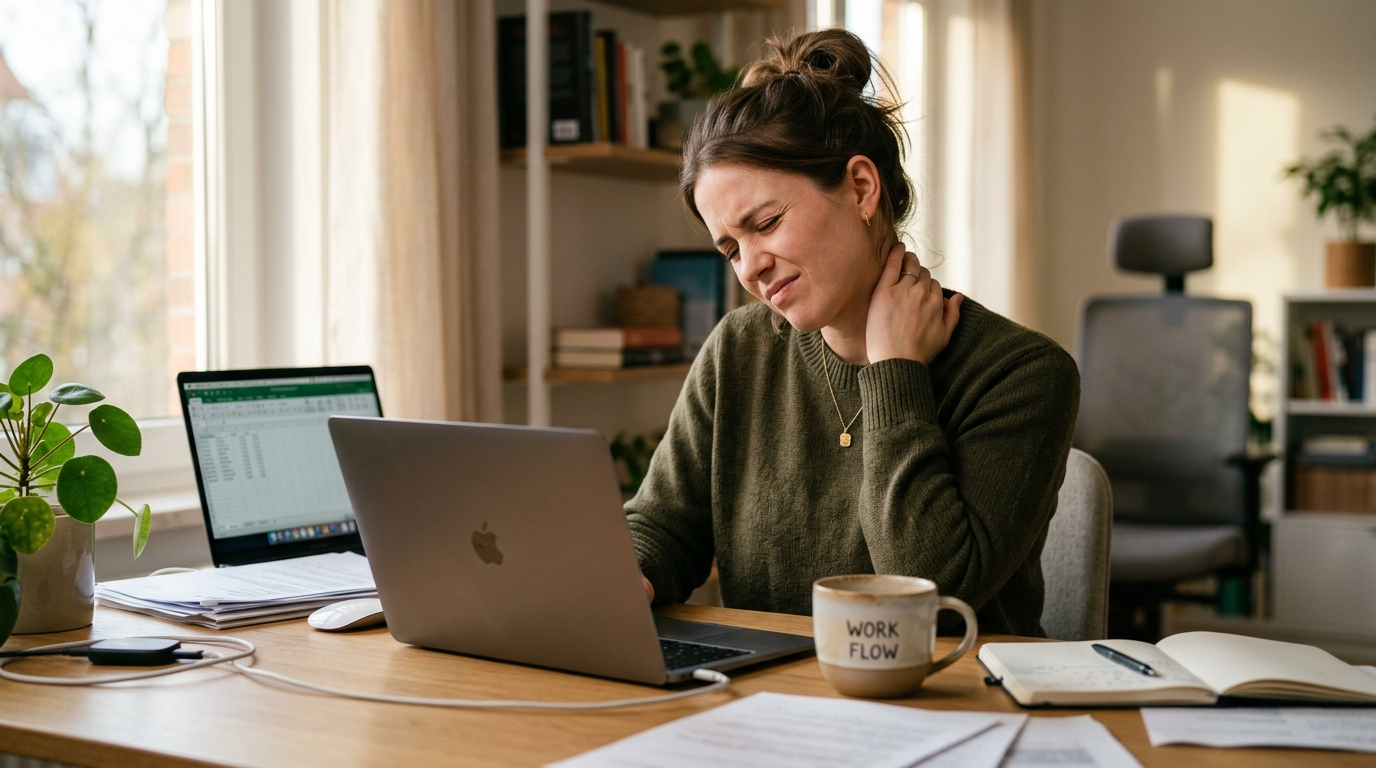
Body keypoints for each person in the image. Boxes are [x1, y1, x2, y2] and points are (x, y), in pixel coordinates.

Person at [626, 28, 1079, 637]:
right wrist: (629, 574)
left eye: (766, 223)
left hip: (952, 709)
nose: (750, 267)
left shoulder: (1021, 373)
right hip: (769, 701)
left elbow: (927, 591)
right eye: (730, 248)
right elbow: (662, 527)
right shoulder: (740, 348)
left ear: (861, 188)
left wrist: (895, 372)